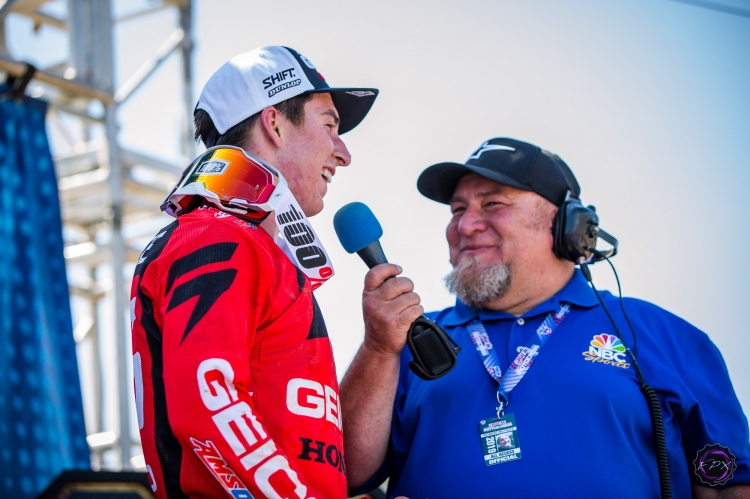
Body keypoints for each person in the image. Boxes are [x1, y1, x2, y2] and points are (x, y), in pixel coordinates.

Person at [340, 137, 750, 498]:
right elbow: (344, 475)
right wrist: (377, 348)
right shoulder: (399, 341)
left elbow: (727, 486)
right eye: (457, 209)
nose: (464, 225)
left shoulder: (668, 338)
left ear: (568, 226)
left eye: (493, 204)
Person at [130, 45, 378, 499]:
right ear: (275, 123)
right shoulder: (215, 236)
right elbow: (208, 404)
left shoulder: (244, 242)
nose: (343, 154)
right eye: (329, 126)